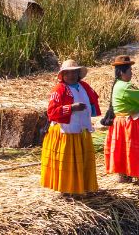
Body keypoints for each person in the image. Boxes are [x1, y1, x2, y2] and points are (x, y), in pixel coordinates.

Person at [40, 59, 100, 195]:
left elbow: (93, 101)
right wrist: (71, 108)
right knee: (67, 162)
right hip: (65, 131)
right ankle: (66, 189)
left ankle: (81, 187)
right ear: (62, 75)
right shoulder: (59, 89)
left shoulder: (84, 87)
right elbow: (52, 112)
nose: (71, 76)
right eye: (68, 73)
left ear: (79, 73)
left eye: (74, 72)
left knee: (81, 160)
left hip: (81, 131)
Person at [104, 55, 139, 183]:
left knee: (125, 151)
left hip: (124, 122)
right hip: (129, 124)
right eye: (130, 70)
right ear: (122, 72)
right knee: (131, 151)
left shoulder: (119, 85)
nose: (132, 73)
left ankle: (126, 175)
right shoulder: (125, 87)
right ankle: (129, 175)